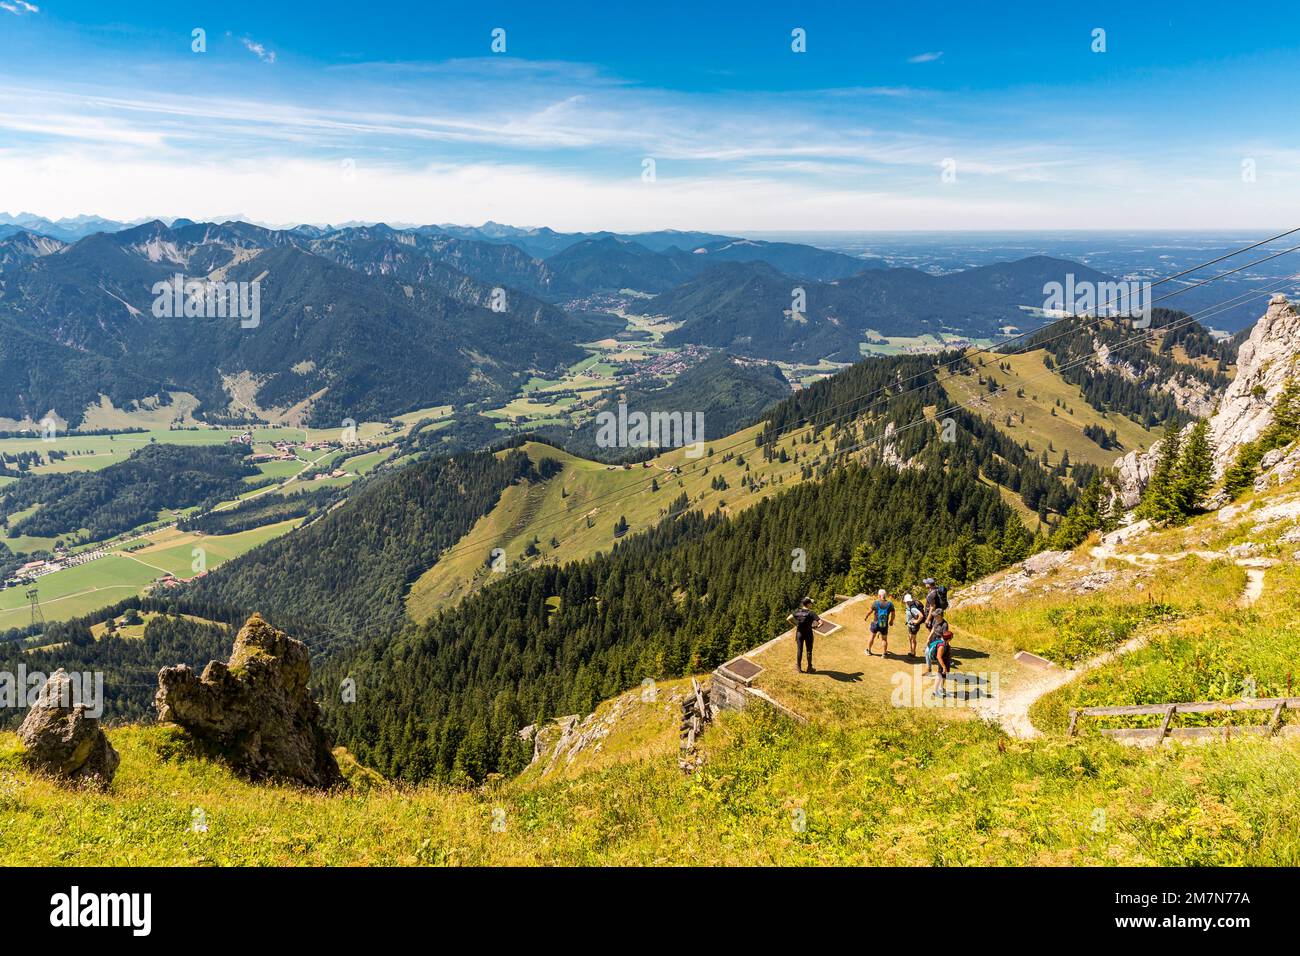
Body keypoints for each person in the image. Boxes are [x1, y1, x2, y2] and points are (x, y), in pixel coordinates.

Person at [787, 597, 821, 674]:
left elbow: (788, 619)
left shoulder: (797, 612)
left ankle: (798, 668)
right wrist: (815, 627)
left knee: (799, 650)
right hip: (808, 633)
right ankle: (809, 668)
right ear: (808, 604)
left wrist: (795, 625)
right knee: (809, 651)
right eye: (811, 603)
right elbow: (821, 623)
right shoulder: (811, 613)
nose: (812, 604)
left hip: (799, 633)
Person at [866, 588, 895, 657]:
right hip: (884, 624)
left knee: (872, 637)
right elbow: (893, 614)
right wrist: (891, 621)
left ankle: (868, 650)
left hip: (875, 623)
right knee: (884, 639)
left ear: (879, 595)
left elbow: (870, 611)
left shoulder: (876, 603)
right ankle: (884, 653)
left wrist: (866, 617)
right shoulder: (890, 604)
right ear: (885, 595)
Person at [932, 626, 954, 698]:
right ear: (949, 638)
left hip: (946, 662)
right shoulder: (941, 646)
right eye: (951, 637)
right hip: (942, 663)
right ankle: (935, 691)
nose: (952, 638)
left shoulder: (946, 643)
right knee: (939, 676)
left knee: (943, 676)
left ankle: (940, 688)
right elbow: (939, 657)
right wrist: (944, 667)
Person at [924, 607, 947, 674]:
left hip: (939, 642)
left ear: (940, 616)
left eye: (935, 615)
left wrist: (937, 644)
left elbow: (944, 637)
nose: (934, 616)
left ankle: (941, 672)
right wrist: (929, 637)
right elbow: (933, 628)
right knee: (927, 652)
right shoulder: (935, 620)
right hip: (933, 639)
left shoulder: (945, 625)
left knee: (938, 656)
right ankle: (928, 669)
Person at [903, 592, 925, 658]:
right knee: (911, 638)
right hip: (910, 625)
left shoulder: (913, 608)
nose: (907, 602)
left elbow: (921, 616)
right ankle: (912, 651)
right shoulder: (909, 606)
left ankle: (913, 653)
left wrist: (916, 621)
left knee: (913, 639)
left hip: (914, 626)